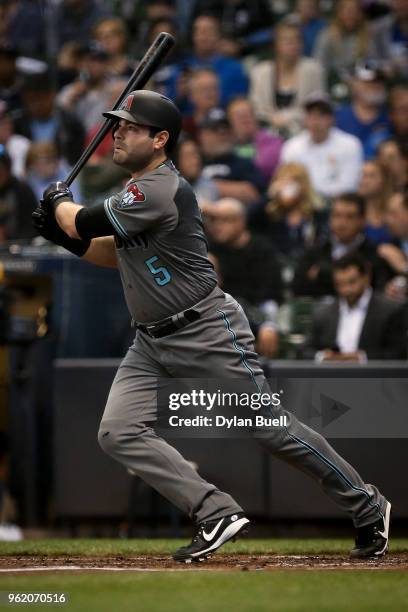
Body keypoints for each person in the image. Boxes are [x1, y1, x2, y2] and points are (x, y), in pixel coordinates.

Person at [32, 89, 391, 562]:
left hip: (205, 329)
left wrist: (61, 206)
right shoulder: (136, 193)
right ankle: (213, 509)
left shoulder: (158, 187)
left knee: (269, 429)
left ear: (161, 139)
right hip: (151, 341)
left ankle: (367, 504)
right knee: (117, 432)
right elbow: (109, 252)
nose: (118, 132)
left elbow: (84, 220)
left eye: (130, 127)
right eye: (116, 124)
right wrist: (66, 237)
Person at [205, 197, 282, 358]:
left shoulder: (262, 250)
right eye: (214, 220)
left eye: (224, 220)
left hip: (255, 317)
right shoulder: (211, 249)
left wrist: (268, 325)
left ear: (241, 222)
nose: (217, 226)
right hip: (220, 319)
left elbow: (270, 295)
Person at [304, 252, 407, 361]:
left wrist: (362, 357)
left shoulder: (390, 311)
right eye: (340, 284)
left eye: (352, 282)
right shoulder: (322, 313)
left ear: (366, 277)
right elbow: (304, 351)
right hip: (331, 375)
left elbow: (398, 353)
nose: (346, 290)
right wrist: (323, 356)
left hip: (373, 376)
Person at [293, 192, 393, 297]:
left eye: (350, 217)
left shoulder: (374, 253)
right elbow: (298, 288)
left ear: (362, 220)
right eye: (337, 215)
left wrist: (323, 274)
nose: (342, 222)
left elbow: (377, 289)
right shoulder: (315, 251)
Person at [250, 17, 325, 135]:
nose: (292, 44)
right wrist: (272, 121)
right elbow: (257, 108)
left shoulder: (313, 70)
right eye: (286, 40)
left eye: (296, 40)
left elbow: (318, 106)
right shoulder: (259, 72)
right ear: (276, 44)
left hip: (304, 133)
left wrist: (286, 117)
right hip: (267, 132)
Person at [281, 93, 363, 199]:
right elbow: (288, 182)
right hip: (303, 204)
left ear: (332, 119)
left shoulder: (351, 145)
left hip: (337, 204)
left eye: (321, 115)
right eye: (311, 115)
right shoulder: (291, 147)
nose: (315, 121)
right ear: (305, 119)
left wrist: (313, 193)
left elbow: (350, 186)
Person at [248, 162, 327, 261]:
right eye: (282, 181)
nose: (287, 187)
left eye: (293, 182)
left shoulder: (317, 213)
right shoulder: (268, 212)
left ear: (304, 186)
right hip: (274, 265)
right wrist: (269, 196)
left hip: (305, 265)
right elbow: (247, 219)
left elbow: (323, 242)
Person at [13, 72, 85, 167]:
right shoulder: (17, 123)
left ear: (52, 96)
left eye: (39, 99)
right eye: (30, 100)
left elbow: (76, 158)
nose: (35, 104)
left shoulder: (71, 123)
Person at [198, 107, 265, 205]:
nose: (222, 133)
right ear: (202, 136)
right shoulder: (194, 161)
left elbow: (253, 195)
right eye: (215, 129)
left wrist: (203, 185)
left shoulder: (243, 163)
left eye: (226, 128)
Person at [335, 62, 390, 159]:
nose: (375, 86)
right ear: (355, 84)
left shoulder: (392, 117)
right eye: (368, 82)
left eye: (378, 81)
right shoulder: (338, 116)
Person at [226, 96, 283, 183]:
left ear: (255, 117)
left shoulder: (272, 141)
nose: (244, 118)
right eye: (239, 116)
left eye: (248, 114)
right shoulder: (225, 144)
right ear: (229, 122)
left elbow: (265, 166)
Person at [314, 0, 371, 84]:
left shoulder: (367, 35)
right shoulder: (326, 36)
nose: (351, 15)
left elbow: (370, 65)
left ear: (359, 14)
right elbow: (319, 66)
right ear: (339, 13)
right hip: (332, 82)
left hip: (361, 82)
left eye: (354, 11)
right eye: (348, 11)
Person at [0, 146, 36, 242]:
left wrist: (7, 237)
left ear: (8, 170)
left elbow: (33, 227)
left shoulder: (22, 190)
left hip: (17, 248)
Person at [380, 189, 408, 302]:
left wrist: (403, 267)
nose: (387, 219)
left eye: (393, 214)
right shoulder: (387, 246)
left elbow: (402, 267)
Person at [174, 138, 219, 205]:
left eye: (197, 155)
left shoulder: (206, 183)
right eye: (188, 156)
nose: (196, 161)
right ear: (176, 161)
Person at [358, 159, 394, 245]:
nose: (364, 181)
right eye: (362, 176)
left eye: (371, 176)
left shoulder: (394, 211)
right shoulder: (353, 210)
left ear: (384, 180)